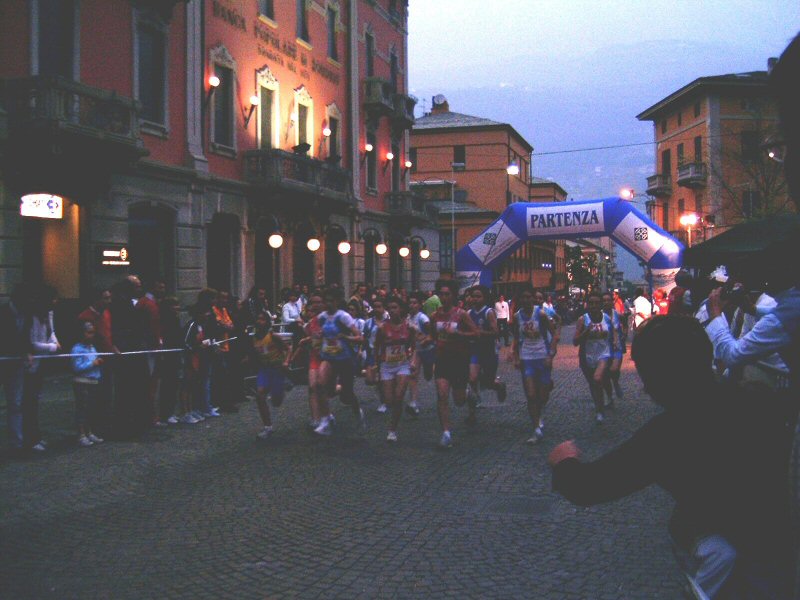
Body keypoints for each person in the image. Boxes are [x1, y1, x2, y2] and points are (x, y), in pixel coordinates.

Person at [549, 315, 793, 598]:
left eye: (646, 375)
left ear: (658, 378)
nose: (644, 387)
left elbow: (590, 486)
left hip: (747, 566)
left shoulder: (670, 433)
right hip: (781, 549)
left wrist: (564, 459)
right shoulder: (759, 400)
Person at [430, 279, 479, 448]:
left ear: (453, 295)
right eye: (441, 294)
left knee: (459, 401)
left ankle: (467, 392)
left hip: (459, 360)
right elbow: (432, 336)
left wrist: (458, 333)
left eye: (447, 294)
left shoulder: (461, 314)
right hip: (442, 360)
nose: (444, 297)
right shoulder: (435, 316)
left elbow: (476, 333)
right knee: (442, 395)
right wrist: (426, 340)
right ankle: (446, 433)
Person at [512, 286, 557, 444]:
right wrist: (516, 357)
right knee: (531, 395)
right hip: (527, 358)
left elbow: (554, 334)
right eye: (522, 297)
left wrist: (550, 355)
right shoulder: (517, 317)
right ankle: (536, 428)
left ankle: (543, 400)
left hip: (542, 356)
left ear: (532, 298)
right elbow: (516, 338)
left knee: (542, 395)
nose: (525, 300)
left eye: (528, 297)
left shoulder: (541, 314)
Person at [317, 288, 366, 433]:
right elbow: (319, 334)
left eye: (331, 301)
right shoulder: (322, 317)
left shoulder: (343, 316)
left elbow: (360, 337)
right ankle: (326, 419)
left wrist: (345, 337)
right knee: (320, 385)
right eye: (326, 301)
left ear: (337, 301)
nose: (328, 304)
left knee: (346, 396)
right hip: (328, 357)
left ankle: (358, 412)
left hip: (344, 359)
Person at [24, 284, 61, 452]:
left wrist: (55, 341)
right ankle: (29, 439)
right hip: (30, 364)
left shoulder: (48, 314)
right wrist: (52, 347)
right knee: (28, 401)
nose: (56, 301)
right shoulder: (33, 316)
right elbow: (32, 343)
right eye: (54, 298)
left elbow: (51, 331)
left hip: (40, 363)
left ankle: (35, 436)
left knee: (35, 400)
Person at [374, 296, 414, 442]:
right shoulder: (382, 328)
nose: (392, 311)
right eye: (390, 308)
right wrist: (376, 366)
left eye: (395, 307)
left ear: (401, 309)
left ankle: (392, 430)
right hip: (387, 366)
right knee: (389, 400)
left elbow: (414, 345)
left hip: (402, 365)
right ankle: (390, 402)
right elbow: (377, 347)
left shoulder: (408, 327)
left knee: (398, 397)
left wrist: (413, 360)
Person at [466, 285, 507, 426]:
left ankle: (498, 386)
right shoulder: (469, 313)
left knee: (488, 382)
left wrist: (480, 333)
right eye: (473, 296)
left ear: (484, 298)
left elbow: (496, 332)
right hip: (475, 350)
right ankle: (472, 413)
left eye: (478, 296)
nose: (475, 299)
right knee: (472, 379)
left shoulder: (489, 312)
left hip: (488, 350)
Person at [1, 283, 32, 457]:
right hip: (4, 359)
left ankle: (17, 443)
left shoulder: (26, 314)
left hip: (16, 364)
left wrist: (27, 351)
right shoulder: (3, 313)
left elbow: (25, 336)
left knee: (16, 404)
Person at [573, 291, 614, 423]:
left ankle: (604, 403)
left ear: (600, 304)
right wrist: (586, 331)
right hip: (587, 357)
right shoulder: (582, 320)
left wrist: (615, 347)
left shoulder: (606, 318)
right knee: (593, 384)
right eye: (591, 303)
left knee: (597, 378)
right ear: (587, 304)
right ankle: (599, 409)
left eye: (596, 303)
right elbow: (575, 341)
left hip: (604, 354)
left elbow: (612, 335)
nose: (594, 306)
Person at [249, 311, 291, 440]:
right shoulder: (254, 338)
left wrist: (286, 361)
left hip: (277, 369)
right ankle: (267, 427)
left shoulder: (273, 336)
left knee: (276, 402)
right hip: (264, 370)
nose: (259, 321)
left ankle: (282, 387)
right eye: (258, 319)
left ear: (267, 322)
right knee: (260, 395)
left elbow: (288, 348)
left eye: (262, 319)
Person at [70, 321, 105, 447]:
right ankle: (81, 435)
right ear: (82, 333)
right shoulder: (77, 349)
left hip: (93, 381)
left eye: (93, 333)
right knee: (82, 408)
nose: (91, 335)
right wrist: (92, 364)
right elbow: (76, 367)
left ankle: (89, 432)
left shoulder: (92, 347)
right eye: (88, 332)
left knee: (90, 408)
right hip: (82, 382)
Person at [406, 292, 434, 415]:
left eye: (414, 303)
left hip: (428, 350)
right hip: (417, 350)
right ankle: (413, 403)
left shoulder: (423, 318)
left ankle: (431, 369)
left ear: (419, 305)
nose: (412, 305)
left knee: (428, 375)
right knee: (413, 375)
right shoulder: (408, 318)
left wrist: (425, 340)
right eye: (410, 303)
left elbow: (432, 334)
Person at [602, 291, 625, 406]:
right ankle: (609, 397)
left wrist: (623, 334)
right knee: (605, 374)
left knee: (614, 370)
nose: (606, 302)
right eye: (604, 300)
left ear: (612, 301)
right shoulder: (599, 316)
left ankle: (615, 382)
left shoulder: (616, 314)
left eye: (608, 300)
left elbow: (623, 324)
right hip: (604, 348)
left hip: (617, 347)